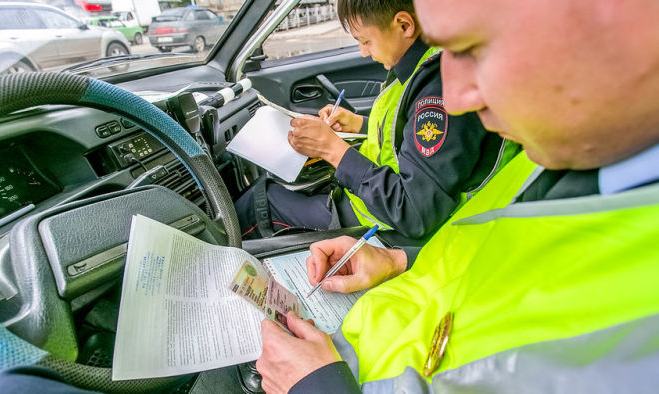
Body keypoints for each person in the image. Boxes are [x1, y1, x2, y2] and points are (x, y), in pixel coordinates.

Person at [255, 0, 659, 392]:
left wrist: (317, 384)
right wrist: (398, 261)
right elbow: (489, 255)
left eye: (475, 48)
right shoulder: (551, 157)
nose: (458, 95)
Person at [234, 0, 514, 240]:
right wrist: (359, 124)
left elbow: (415, 212)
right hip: (376, 200)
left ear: (404, 25)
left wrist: (332, 150)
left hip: (389, 227)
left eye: (365, 40)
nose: (363, 52)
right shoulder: (427, 64)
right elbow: (412, 136)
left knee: (263, 201)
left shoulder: (440, 87)